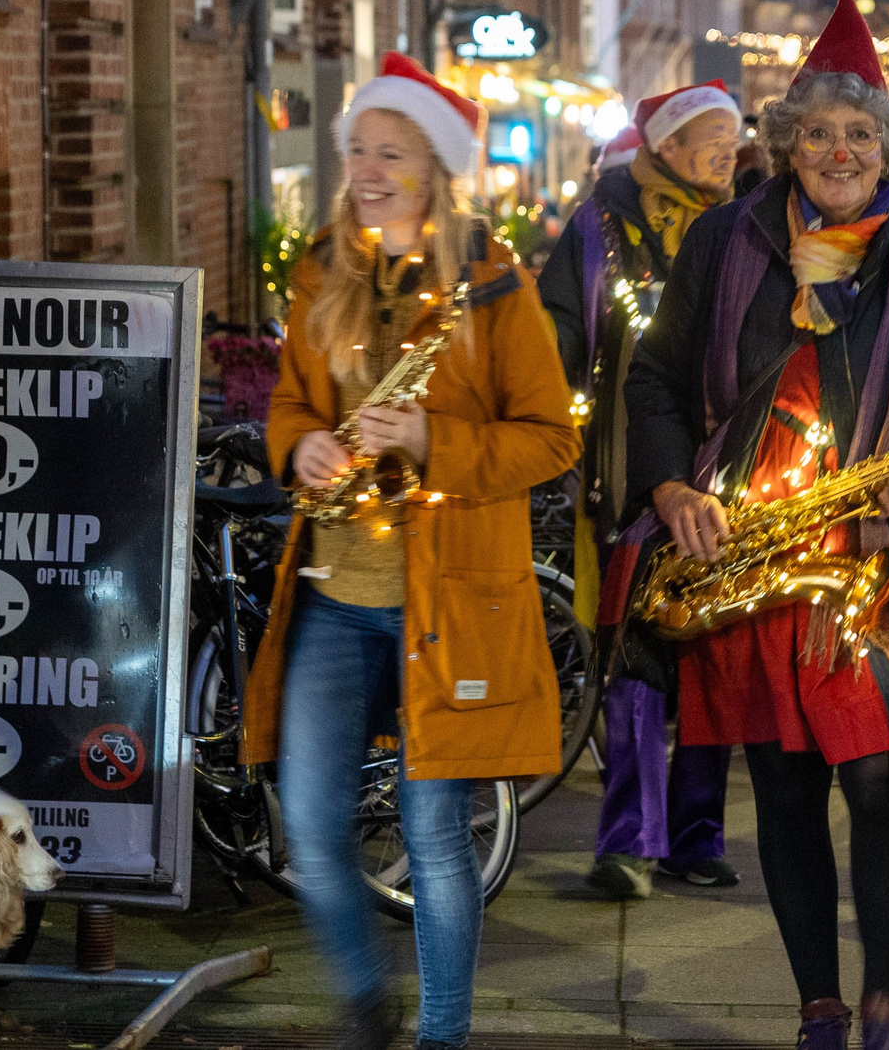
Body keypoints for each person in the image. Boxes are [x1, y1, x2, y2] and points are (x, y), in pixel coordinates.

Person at [623, 0, 889, 1050]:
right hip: (747, 555)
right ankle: (818, 1005)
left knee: (882, 778)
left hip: (875, 560)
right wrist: (670, 489)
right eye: (816, 131)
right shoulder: (722, 242)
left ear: (888, 147)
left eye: (858, 133)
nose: (837, 151)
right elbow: (654, 379)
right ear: (787, 142)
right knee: (784, 788)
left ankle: (884, 996)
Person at [241, 53, 579, 1050]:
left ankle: (441, 1035)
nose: (368, 169)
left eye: (391, 152)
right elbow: (294, 402)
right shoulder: (320, 272)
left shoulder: (493, 290)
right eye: (357, 150)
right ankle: (362, 998)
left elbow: (552, 437)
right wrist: (294, 441)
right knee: (308, 823)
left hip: (452, 599)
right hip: (335, 593)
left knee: (435, 840)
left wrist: (433, 442)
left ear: (435, 165)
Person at [539, 81, 744, 900]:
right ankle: (629, 841)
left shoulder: (742, 226)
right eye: (710, 135)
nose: (728, 150)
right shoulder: (601, 227)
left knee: (712, 657)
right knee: (632, 664)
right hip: (627, 478)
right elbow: (557, 328)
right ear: (665, 143)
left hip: (730, 479)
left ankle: (696, 835)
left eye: (734, 136)